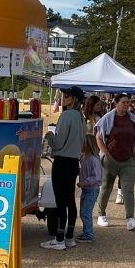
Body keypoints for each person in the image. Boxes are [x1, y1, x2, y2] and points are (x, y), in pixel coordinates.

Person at [41, 86, 87, 250]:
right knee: (69, 201)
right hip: (74, 162)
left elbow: (59, 142)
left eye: (66, 95)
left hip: (62, 162)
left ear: (73, 99)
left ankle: (59, 239)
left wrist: (50, 136)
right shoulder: (81, 117)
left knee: (61, 201)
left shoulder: (67, 116)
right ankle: (69, 237)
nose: (63, 97)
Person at [94, 94, 135, 231]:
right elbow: (98, 137)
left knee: (128, 189)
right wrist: (106, 154)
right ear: (116, 103)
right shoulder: (108, 118)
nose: (126, 105)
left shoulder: (132, 119)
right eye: (123, 102)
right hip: (111, 159)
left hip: (128, 159)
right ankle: (101, 214)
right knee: (106, 187)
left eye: (128, 102)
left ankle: (130, 218)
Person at [76, 133, 103, 242]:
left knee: (85, 213)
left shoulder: (93, 159)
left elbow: (96, 177)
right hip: (86, 189)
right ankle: (86, 232)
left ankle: (89, 235)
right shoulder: (84, 157)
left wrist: (84, 182)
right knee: (83, 212)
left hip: (92, 189)